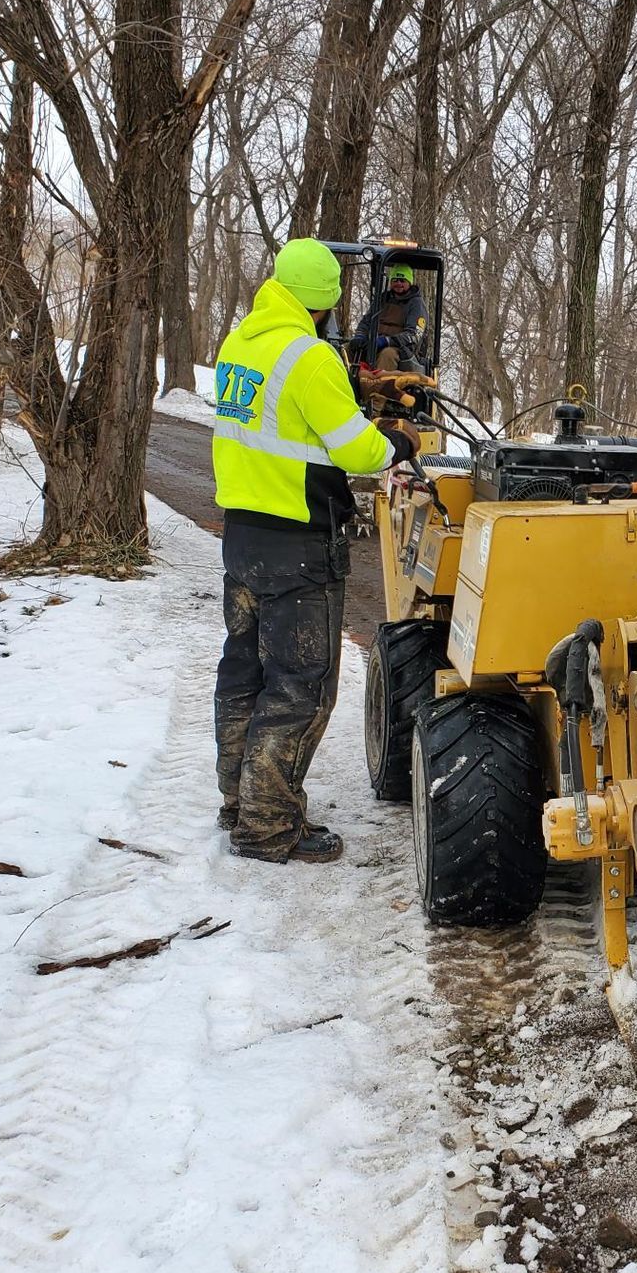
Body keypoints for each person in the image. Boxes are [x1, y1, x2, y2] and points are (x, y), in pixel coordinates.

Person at [211, 238, 418, 863]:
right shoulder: (311, 357)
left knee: (244, 673)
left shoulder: (241, 342)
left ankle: (239, 801)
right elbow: (357, 450)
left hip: (243, 536)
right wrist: (399, 442)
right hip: (299, 540)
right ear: (327, 301)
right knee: (300, 686)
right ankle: (268, 827)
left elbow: (282, 426)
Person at [357, 262, 429, 371]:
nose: (398, 283)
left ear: (409, 282)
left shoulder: (416, 304)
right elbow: (366, 321)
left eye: (402, 280)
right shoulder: (382, 299)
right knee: (348, 349)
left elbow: (414, 335)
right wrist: (360, 336)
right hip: (374, 344)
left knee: (387, 355)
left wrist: (387, 341)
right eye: (395, 280)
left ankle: (379, 387)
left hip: (401, 350)